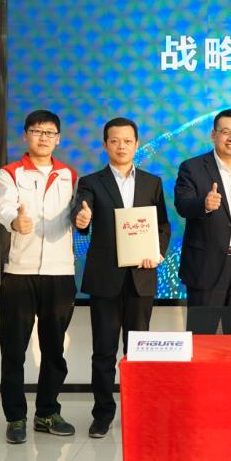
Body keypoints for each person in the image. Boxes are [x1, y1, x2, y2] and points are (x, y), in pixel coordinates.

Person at [72, 117, 171, 438]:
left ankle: (139, 412)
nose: (121, 146)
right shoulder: (91, 182)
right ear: (105, 144)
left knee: (139, 351)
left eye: (127, 141)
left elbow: (162, 225)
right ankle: (102, 414)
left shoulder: (152, 182)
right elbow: (81, 216)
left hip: (141, 277)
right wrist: (82, 220)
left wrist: (157, 252)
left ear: (136, 144)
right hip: (105, 279)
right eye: (114, 141)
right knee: (103, 351)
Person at [0, 110, 78, 444]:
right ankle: (15, 417)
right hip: (20, 273)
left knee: (54, 349)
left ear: (58, 139)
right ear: (26, 135)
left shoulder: (69, 175)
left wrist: (84, 218)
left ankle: (47, 412)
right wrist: (15, 221)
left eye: (49, 132)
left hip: (60, 273)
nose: (43, 137)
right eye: (37, 131)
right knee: (13, 350)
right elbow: (3, 207)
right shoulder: (9, 173)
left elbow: (78, 212)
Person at [174, 109, 231, 333]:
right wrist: (204, 204)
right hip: (205, 267)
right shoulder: (192, 168)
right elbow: (182, 205)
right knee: (201, 336)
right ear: (213, 135)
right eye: (226, 132)